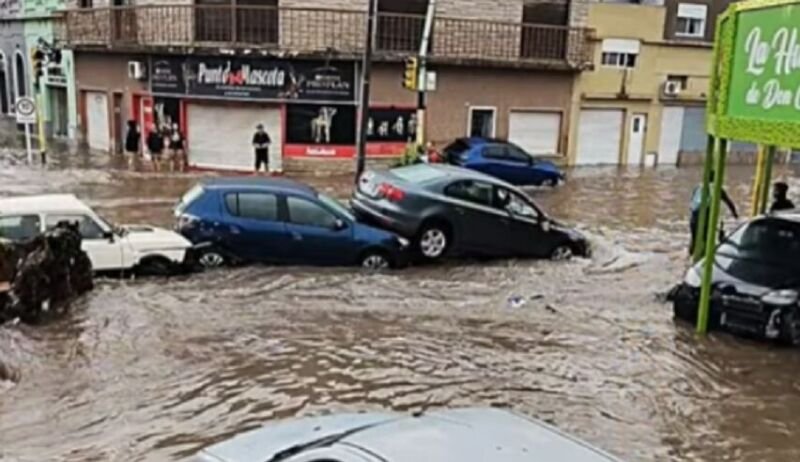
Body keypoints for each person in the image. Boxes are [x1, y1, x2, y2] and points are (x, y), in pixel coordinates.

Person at [689, 171, 738, 255]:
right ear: (715, 178)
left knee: (694, 240)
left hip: (694, 217)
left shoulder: (697, 187)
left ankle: (689, 259)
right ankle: (703, 261)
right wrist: (735, 214)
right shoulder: (717, 188)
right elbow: (729, 202)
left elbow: (692, 202)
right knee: (706, 241)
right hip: (706, 218)